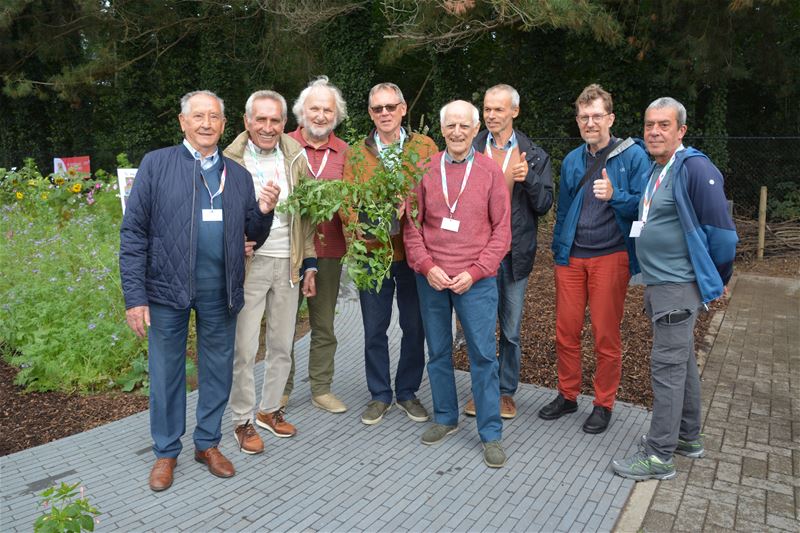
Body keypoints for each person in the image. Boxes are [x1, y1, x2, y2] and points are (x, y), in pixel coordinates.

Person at [120, 90, 278, 491]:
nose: (206, 123)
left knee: (216, 371)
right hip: (166, 289)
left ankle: (207, 443)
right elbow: (133, 233)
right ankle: (166, 452)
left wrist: (263, 212)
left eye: (214, 117)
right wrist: (135, 297)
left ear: (225, 125)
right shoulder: (157, 165)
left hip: (219, 289)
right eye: (198, 116)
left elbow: (253, 236)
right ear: (182, 122)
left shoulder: (237, 175)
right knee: (166, 372)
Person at [612, 97, 737, 480]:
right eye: (649, 124)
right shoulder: (657, 168)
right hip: (660, 284)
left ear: (681, 130)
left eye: (664, 125)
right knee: (680, 364)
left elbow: (724, 237)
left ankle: (659, 456)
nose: (654, 131)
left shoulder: (695, 168)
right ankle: (687, 437)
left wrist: (711, 280)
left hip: (677, 287)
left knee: (665, 368)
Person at [404, 100, 511, 467]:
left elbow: (502, 233)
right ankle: (446, 418)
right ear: (442, 128)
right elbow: (412, 228)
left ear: (476, 127)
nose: (457, 132)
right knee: (438, 352)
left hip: (475, 281)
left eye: (464, 126)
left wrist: (476, 271)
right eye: (450, 126)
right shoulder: (424, 170)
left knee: (483, 356)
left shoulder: (490, 172)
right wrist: (426, 265)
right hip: (432, 278)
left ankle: (491, 433)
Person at [541, 83, 650, 434]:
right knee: (566, 332)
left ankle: (603, 404)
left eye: (596, 116)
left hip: (610, 256)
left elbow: (647, 204)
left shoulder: (633, 156)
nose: (590, 122)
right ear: (578, 121)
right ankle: (568, 395)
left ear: (610, 118)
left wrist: (616, 195)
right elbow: (562, 214)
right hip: (572, 258)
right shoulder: (573, 160)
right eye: (584, 117)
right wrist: (559, 252)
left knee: (606, 335)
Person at [223, 90, 317, 454]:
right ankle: (242, 420)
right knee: (245, 348)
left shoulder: (295, 157)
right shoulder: (229, 158)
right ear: (246, 122)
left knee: (281, 345)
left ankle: (269, 410)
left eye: (274, 120)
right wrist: (232, 242)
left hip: (288, 262)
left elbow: (306, 216)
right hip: (249, 265)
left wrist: (309, 262)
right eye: (260, 119)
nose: (267, 127)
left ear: (283, 123)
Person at [342, 82, 437, 426]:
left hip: (414, 255)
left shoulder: (424, 146)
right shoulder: (356, 153)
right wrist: (367, 227)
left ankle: (408, 392)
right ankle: (380, 394)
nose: (384, 113)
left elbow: (436, 191)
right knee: (374, 328)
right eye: (377, 108)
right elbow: (347, 204)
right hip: (374, 254)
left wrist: (410, 205)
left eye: (389, 107)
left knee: (415, 326)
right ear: (370, 113)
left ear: (403, 108)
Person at [464, 84, 553, 419]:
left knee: (510, 331)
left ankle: (505, 393)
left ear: (514, 111)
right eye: (487, 109)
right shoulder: (470, 149)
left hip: (515, 255)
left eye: (498, 109)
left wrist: (529, 178)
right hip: (478, 255)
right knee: (480, 328)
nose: (491, 115)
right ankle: (482, 391)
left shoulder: (534, 155)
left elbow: (544, 204)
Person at [284, 76, 350, 414]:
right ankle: (281, 389)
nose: (321, 115)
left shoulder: (346, 154)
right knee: (283, 323)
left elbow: (354, 203)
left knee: (323, 323)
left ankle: (321, 388)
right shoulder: (283, 146)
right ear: (301, 112)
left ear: (335, 115)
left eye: (327, 109)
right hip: (287, 249)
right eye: (315, 108)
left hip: (328, 250)